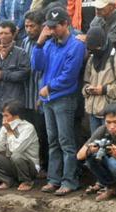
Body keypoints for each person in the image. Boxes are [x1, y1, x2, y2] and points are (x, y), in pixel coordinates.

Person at [30, 6, 86, 196]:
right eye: (49, 27)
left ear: (65, 24)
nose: (52, 30)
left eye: (55, 27)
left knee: (66, 141)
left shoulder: (76, 45)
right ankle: (54, 179)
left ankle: (70, 180)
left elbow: (69, 76)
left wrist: (49, 87)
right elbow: (36, 66)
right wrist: (39, 42)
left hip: (64, 98)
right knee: (53, 140)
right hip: (48, 98)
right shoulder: (49, 43)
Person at [0, 100, 40, 190]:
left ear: (16, 116)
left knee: (16, 155)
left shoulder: (28, 127)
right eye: (3, 116)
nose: (4, 119)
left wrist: (10, 132)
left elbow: (16, 149)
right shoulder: (4, 128)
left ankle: (27, 181)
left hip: (30, 168)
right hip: (14, 164)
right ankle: (8, 181)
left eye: (6, 116)